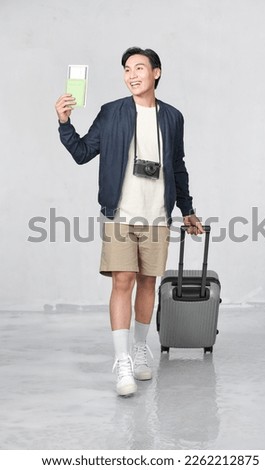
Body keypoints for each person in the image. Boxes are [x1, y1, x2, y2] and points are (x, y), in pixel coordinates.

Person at [55, 47, 204, 397]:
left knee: (148, 283)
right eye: (126, 69)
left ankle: (139, 350)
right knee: (123, 280)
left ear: (157, 73)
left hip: (157, 214)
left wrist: (187, 209)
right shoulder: (111, 113)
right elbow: (81, 153)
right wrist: (64, 123)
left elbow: (178, 166)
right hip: (120, 212)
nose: (132, 74)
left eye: (139, 67)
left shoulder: (172, 117)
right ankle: (122, 361)